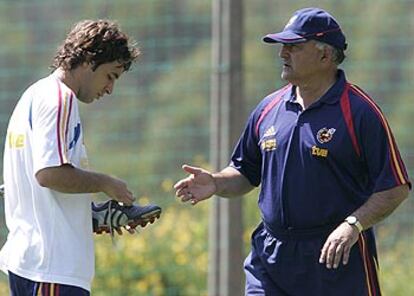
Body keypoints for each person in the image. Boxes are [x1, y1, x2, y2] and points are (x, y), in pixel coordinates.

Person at [174, 7, 410, 295]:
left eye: (294, 47)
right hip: (271, 259)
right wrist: (216, 181)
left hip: (335, 256)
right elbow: (245, 173)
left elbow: (395, 186)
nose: (282, 54)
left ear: (325, 55)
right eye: (283, 46)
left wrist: (353, 224)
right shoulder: (268, 109)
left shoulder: (360, 112)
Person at [0, 19, 161, 295]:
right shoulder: (60, 100)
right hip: (52, 269)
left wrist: (91, 215)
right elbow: (49, 174)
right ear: (89, 60)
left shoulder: (35, 95)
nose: (110, 88)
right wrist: (106, 182)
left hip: (38, 264)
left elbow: (37, 189)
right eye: (110, 76)